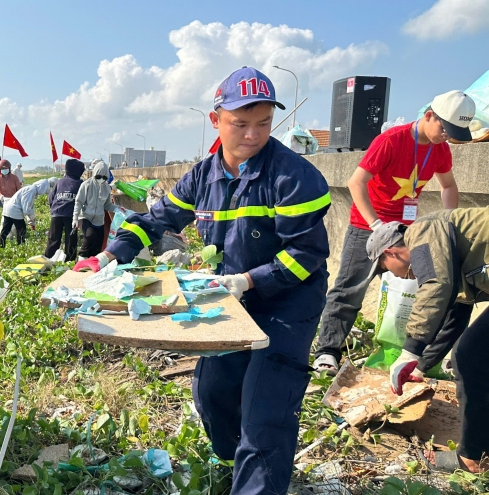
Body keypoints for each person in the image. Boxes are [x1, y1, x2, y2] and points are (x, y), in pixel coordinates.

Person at [73, 67, 331, 494]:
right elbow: (156, 220)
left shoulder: (292, 176)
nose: (252, 134)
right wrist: (106, 256)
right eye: (240, 124)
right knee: (213, 392)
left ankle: (259, 477)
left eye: (263, 123)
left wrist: (249, 280)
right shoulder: (203, 175)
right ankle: (238, 463)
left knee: (265, 408)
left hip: (287, 304)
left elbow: (306, 256)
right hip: (232, 299)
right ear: (216, 121)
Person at [314, 91, 475, 374]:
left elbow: (448, 186)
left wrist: (448, 222)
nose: (445, 137)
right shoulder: (391, 140)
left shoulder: (440, 150)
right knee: (350, 290)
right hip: (369, 228)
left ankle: (424, 358)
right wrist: (377, 226)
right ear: (429, 116)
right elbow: (356, 183)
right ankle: (328, 352)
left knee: (435, 288)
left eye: (452, 133)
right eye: (444, 129)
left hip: (410, 233)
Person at [366, 212, 489, 474]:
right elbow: (456, 316)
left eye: (385, 269)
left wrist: (410, 351)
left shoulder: (423, 231)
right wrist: (421, 366)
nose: (395, 277)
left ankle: (472, 459)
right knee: (472, 354)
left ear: (391, 252)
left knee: (470, 356)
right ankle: (476, 454)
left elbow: (435, 286)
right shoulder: (449, 246)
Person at [72, 160, 116, 260]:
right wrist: (75, 218)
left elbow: (108, 205)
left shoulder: (107, 188)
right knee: (89, 237)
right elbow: (78, 202)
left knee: (98, 243)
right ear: (94, 174)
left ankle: (92, 263)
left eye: (104, 177)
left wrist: (118, 209)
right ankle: (81, 259)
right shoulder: (86, 185)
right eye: (98, 177)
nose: (101, 179)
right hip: (85, 217)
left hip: (99, 220)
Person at [44, 159, 85, 261]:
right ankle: (69, 260)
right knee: (71, 240)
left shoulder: (60, 182)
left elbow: (50, 197)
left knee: (53, 239)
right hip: (70, 216)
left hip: (56, 215)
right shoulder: (80, 183)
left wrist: (54, 209)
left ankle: (48, 259)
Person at [0, 177, 57, 247]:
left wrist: (31, 221)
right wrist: (31, 218)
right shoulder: (31, 190)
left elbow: (30, 207)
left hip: (8, 209)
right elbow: (26, 208)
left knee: (6, 229)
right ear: (43, 188)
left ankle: (1, 245)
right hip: (15, 210)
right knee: (21, 228)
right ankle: (21, 246)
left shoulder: (31, 189)